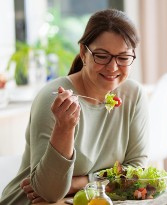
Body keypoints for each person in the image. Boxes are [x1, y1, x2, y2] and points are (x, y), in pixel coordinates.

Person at [0, 8, 149, 205]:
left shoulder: (133, 95)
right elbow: (49, 193)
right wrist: (65, 128)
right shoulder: (55, 99)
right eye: (102, 56)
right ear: (83, 53)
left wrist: (82, 182)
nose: (113, 67)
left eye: (123, 57)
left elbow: (137, 170)